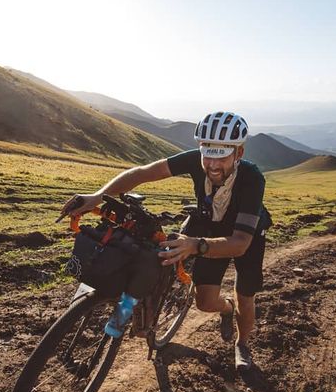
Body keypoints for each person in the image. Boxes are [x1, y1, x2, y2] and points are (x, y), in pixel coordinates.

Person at [60, 111, 269, 371]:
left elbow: (239, 243)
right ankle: (227, 309)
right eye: (208, 154)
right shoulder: (195, 161)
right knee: (205, 303)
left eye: (223, 156)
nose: (213, 165)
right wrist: (99, 196)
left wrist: (195, 245)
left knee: (245, 295)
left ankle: (242, 344)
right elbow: (143, 173)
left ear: (238, 153)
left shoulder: (252, 179)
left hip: (245, 235)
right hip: (208, 225)